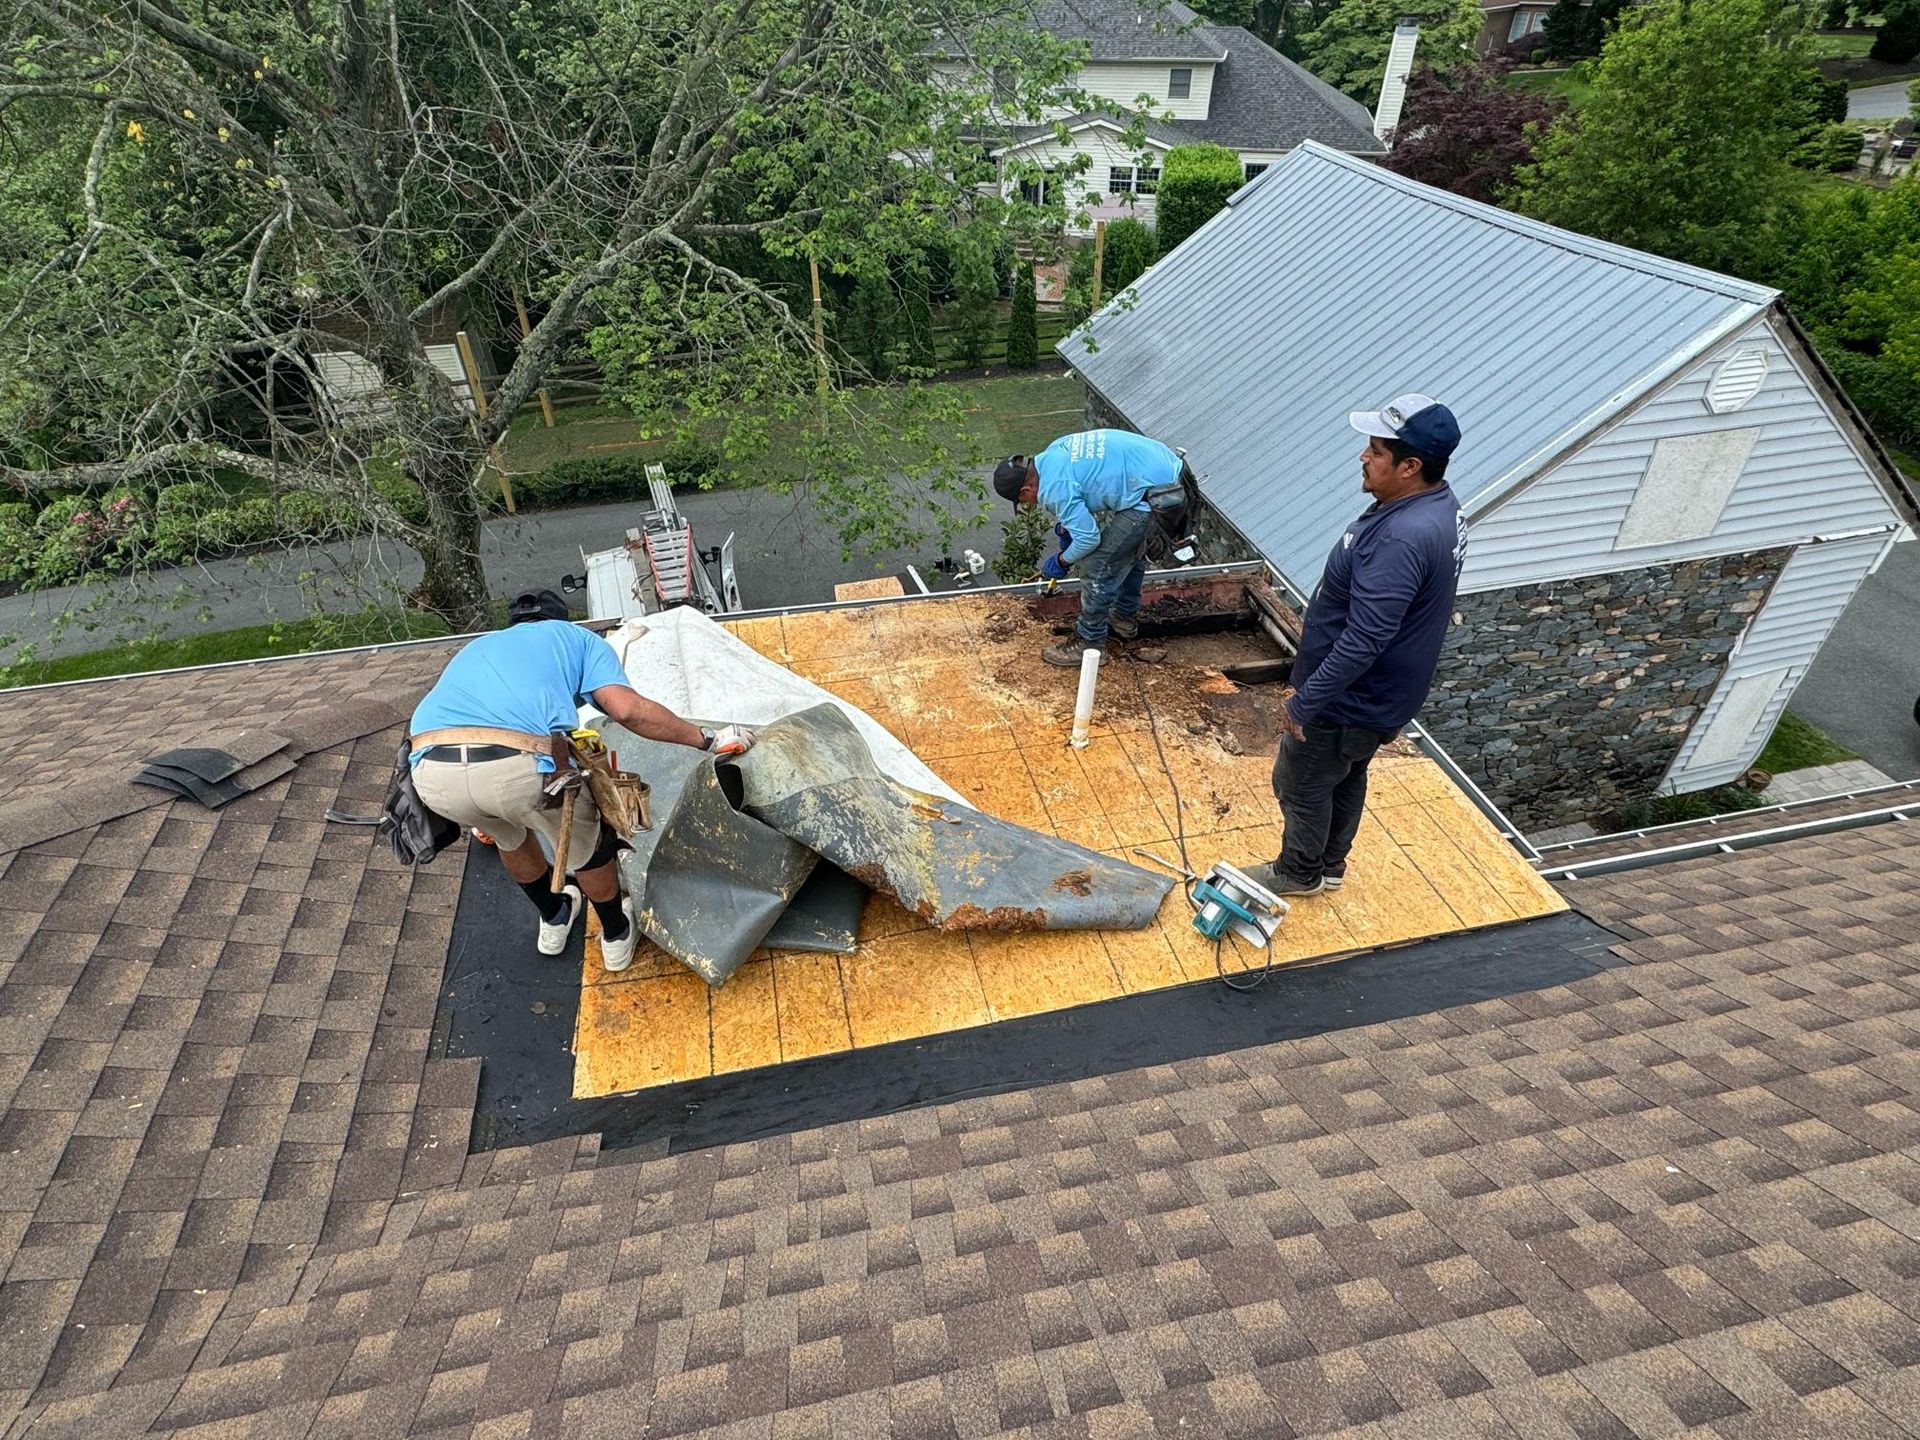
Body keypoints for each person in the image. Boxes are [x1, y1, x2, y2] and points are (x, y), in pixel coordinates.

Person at [409, 590, 755, 972]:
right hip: (514, 766)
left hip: (432, 774)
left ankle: (554, 918)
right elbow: (626, 710)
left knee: (509, 835)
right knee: (588, 849)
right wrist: (708, 738)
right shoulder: (578, 639)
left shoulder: (479, 647)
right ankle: (615, 934)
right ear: (560, 619)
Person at [1250, 394, 1465, 899]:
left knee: (1301, 784)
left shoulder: (1402, 537)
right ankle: (1329, 866)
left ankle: (1297, 873)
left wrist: (1307, 700)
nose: (1362, 458)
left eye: (1374, 451)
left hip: (1349, 699)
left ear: (1410, 466)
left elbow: (1366, 637)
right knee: (1344, 776)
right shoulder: (1438, 507)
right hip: (1380, 699)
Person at [993, 429, 1189, 668]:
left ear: (1026, 490)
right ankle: (1123, 618)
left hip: (1159, 495)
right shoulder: (1053, 453)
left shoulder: (1053, 489)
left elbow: (1089, 540)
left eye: (1023, 501)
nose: (1028, 504)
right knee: (1126, 553)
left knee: (1097, 567)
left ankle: (1089, 642)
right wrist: (1068, 526)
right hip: (1169, 471)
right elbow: (1089, 482)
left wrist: (1062, 561)